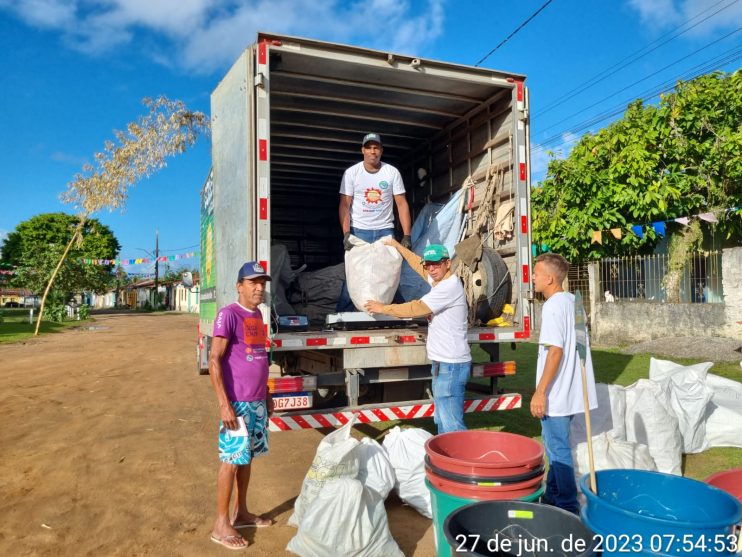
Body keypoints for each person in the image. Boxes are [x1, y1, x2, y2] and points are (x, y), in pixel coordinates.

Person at [364, 242, 471, 434]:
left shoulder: (449, 287)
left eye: (436, 264)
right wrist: (398, 246)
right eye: (428, 264)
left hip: (451, 366)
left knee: (452, 425)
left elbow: (415, 308)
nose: (431, 269)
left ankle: (459, 461)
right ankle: (445, 461)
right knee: (442, 420)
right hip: (442, 363)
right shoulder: (438, 280)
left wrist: (383, 308)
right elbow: (417, 264)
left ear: (448, 263)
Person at [208, 261, 275, 550]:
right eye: (252, 283)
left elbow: (260, 356)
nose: (259, 288)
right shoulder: (228, 315)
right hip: (237, 404)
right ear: (239, 286)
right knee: (231, 462)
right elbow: (214, 360)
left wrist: (267, 393)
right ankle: (220, 524)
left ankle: (242, 512)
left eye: (262, 283)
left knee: (246, 459)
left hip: (257, 401)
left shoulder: (259, 315)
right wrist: (224, 405)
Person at [530, 253, 597, 515]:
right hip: (570, 391)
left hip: (556, 393)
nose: (533, 277)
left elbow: (556, 351)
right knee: (555, 445)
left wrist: (540, 392)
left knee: (558, 451)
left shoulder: (554, 306)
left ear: (550, 278)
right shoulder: (573, 301)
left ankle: (568, 507)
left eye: (536, 272)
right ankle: (551, 497)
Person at [336, 133, 413, 312]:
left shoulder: (391, 172)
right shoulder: (352, 173)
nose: (373, 151)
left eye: (376, 147)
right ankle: (342, 315)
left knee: (390, 274)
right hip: (359, 231)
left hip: (384, 231)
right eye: (369, 148)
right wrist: (346, 233)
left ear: (381, 151)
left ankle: (399, 312)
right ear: (362, 150)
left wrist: (407, 235)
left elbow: (401, 204)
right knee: (354, 274)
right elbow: (344, 205)